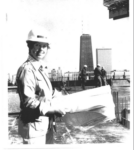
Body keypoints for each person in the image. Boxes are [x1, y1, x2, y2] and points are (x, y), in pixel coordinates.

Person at [16, 29, 66, 144]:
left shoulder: (40, 68)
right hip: (33, 127)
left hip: (45, 126)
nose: (41, 49)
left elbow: (43, 92)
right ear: (30, 46)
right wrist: (53, 109)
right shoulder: (27, 69)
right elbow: (28, 101)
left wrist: (57, 95)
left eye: (44, 46)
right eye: (37, 45)